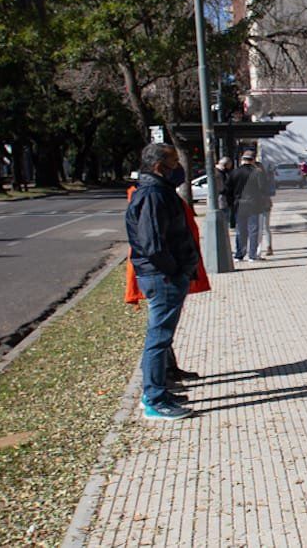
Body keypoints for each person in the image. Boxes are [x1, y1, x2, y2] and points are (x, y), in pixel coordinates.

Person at [125, 143, 199, 421]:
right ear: (159, 167)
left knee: (160, 337)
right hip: (163, 276)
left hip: (163, 274)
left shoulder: (156, 191)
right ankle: (154, 398)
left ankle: (159, 392)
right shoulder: (153, 194)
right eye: (173, 164)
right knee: (158, 338)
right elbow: (153, 243)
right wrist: (176, 270)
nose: (178, 170)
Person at [224, 150, 269, 261]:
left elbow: (227, 190)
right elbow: (263, 188)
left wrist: (232, 203)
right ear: (253, 160)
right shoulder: (257, 172)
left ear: (242, 160)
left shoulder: (234, 172)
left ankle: (239, 254)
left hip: (239, 205)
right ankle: (252, 255)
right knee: (253, 230)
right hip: (254, 204)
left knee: (240, 230)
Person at [259, 161, 277, 256]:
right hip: (264, 204)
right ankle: (267, 247)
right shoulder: (267, 179)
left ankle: (266, 247)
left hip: (262, 205)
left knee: (262, 228)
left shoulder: (265, 180)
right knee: (265, 227)